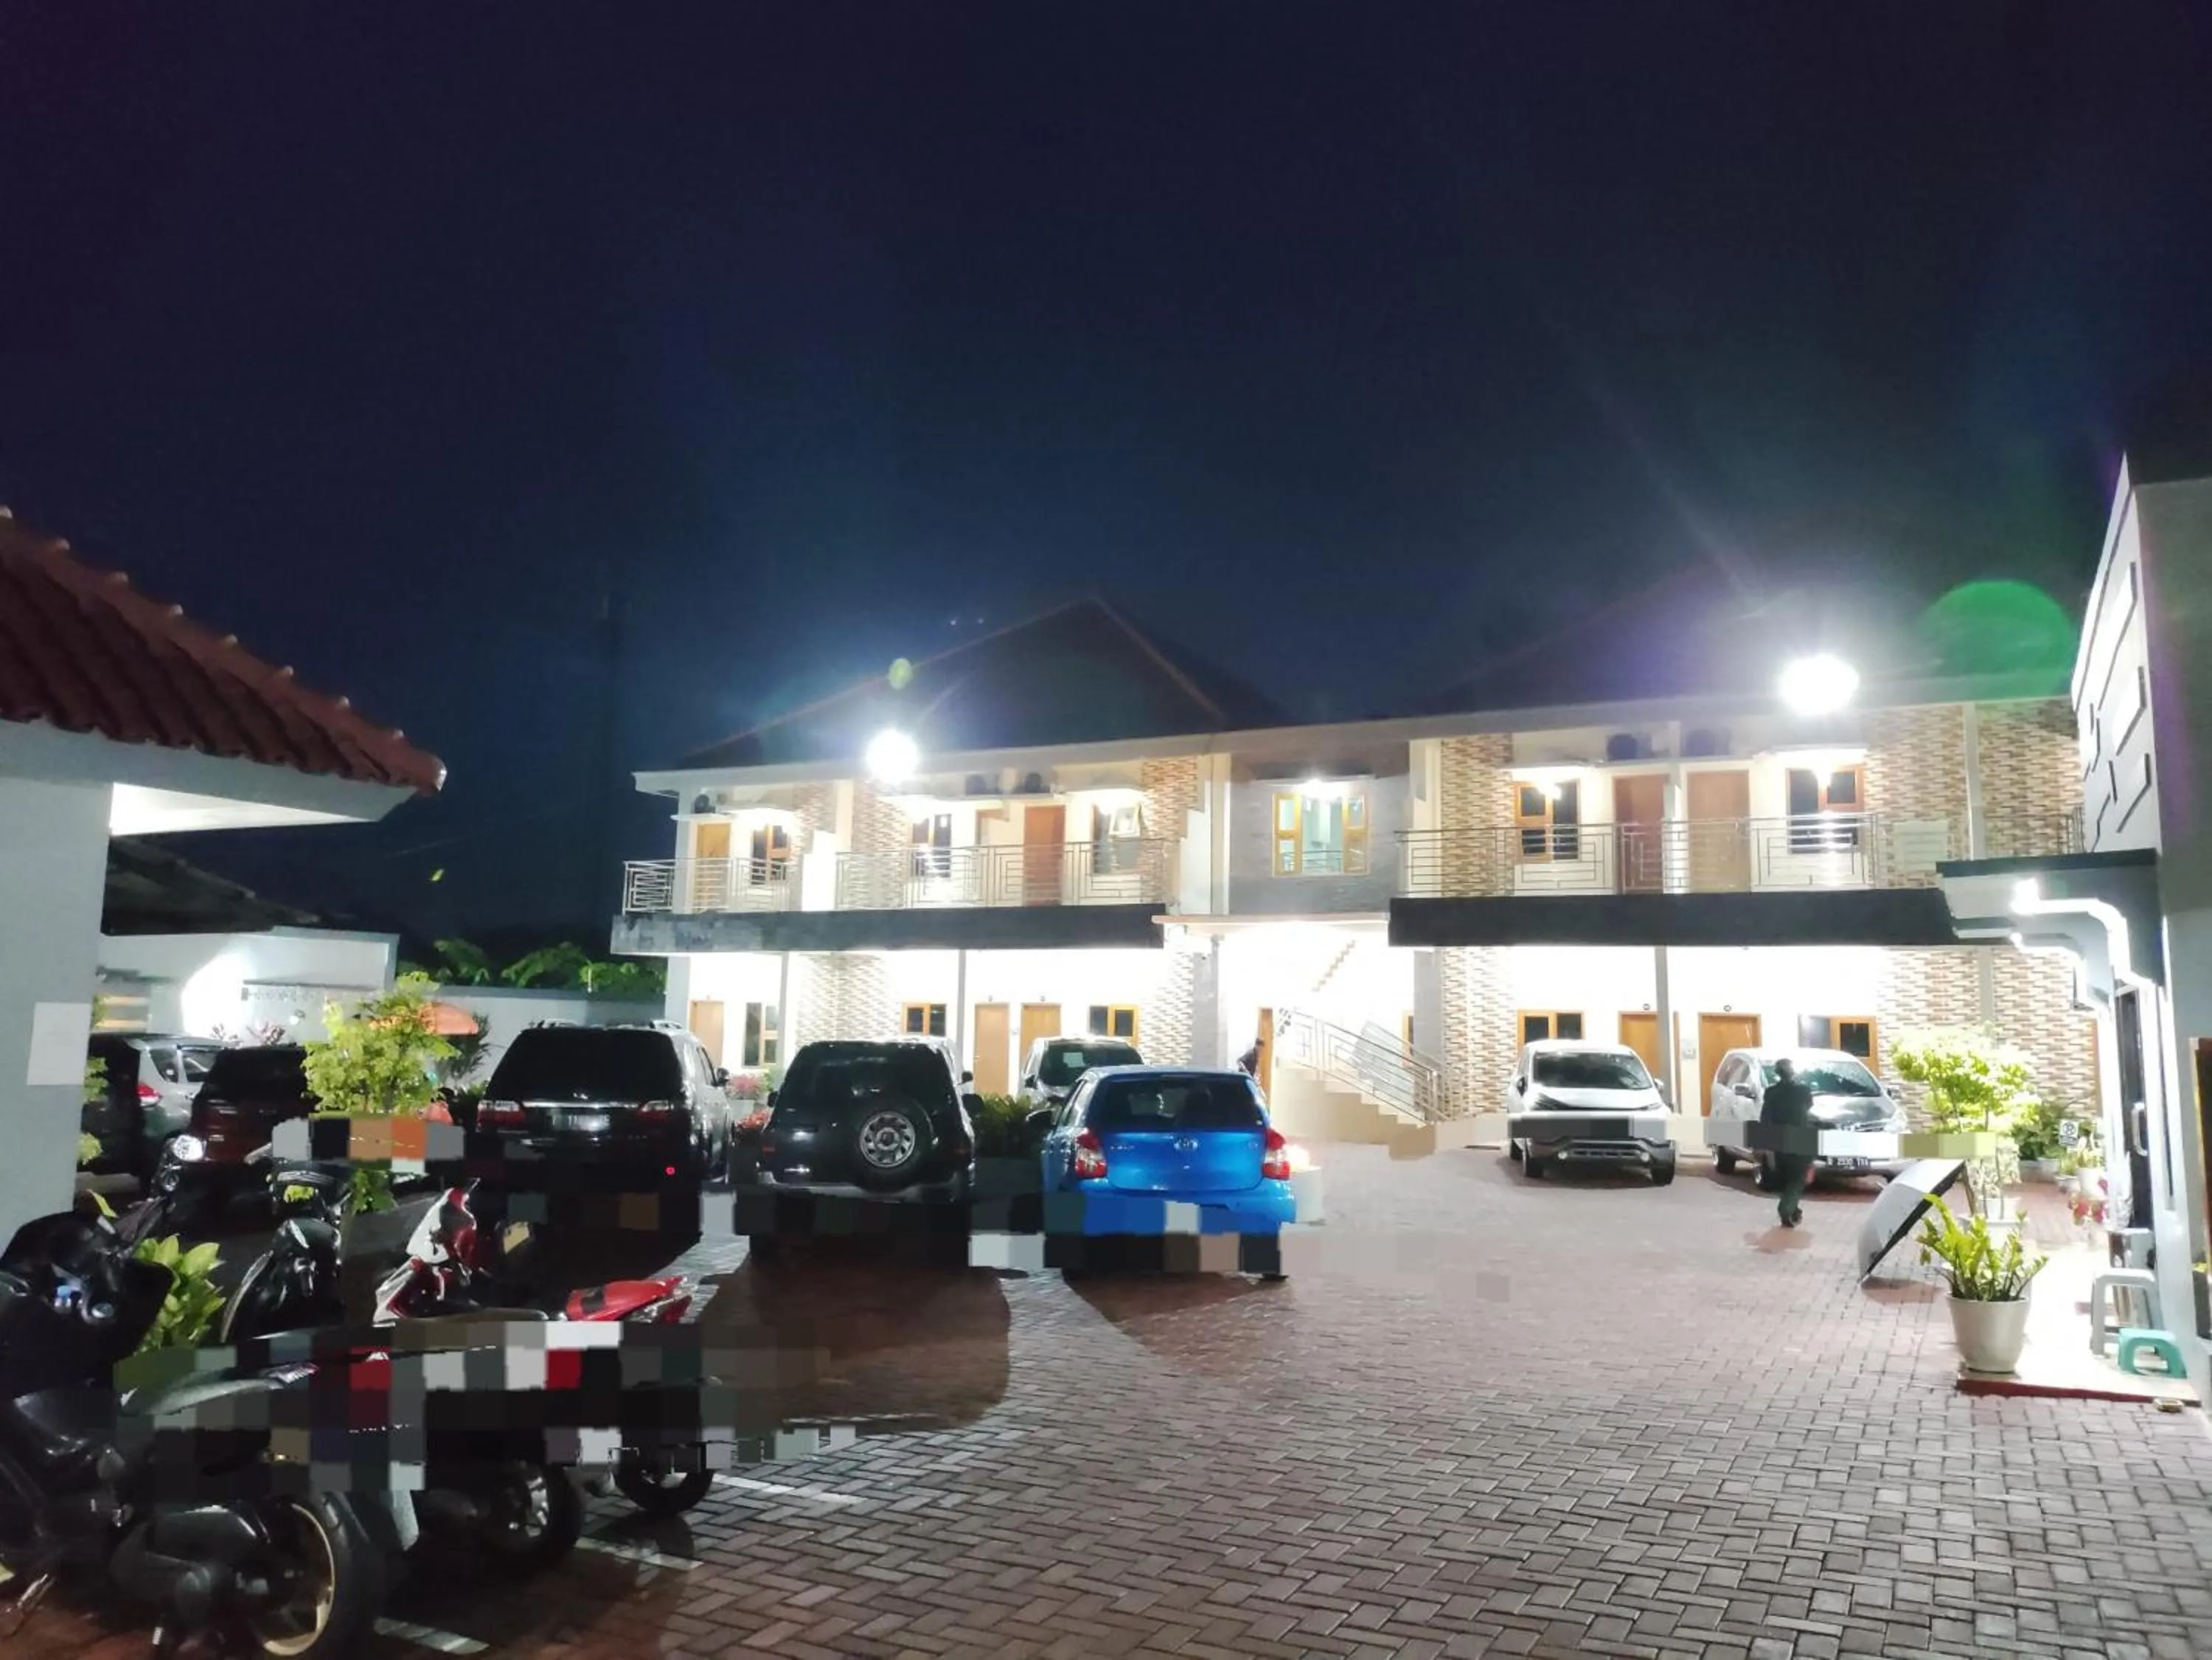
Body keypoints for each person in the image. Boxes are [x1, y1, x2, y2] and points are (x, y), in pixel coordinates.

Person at [1759, 1057, 1817, 1227]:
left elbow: (1765, 1117)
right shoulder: (1803, 1091)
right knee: (1797, 1178)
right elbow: (1808, 1107)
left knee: (1786, 1178)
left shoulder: (1770, 1093)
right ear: (1793, 1072)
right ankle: (1786, 1209)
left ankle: (1793, 1210)